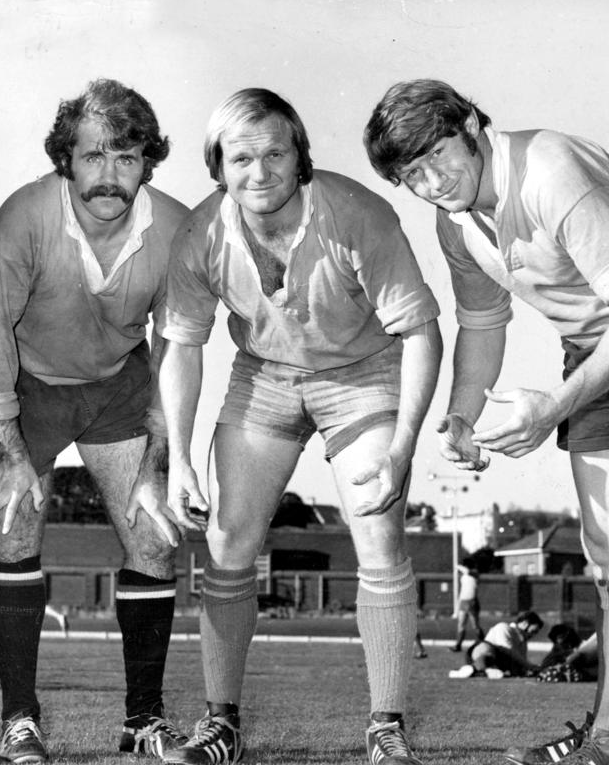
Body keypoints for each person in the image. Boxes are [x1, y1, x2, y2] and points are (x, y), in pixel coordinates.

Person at [365, 79, 609, 765]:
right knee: (601, 544)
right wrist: (460, 415)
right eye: (409, 174)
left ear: (471, 123)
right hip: (592, 340)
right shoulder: (455, 223)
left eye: (437, 154)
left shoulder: (550, 169)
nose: (430, 181)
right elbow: (481, 323)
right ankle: (603, 729)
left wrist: (554, 408)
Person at [159, 88, 442, 765]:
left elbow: (424, 333)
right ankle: (220, 723)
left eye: (276, 153)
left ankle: (387, 728)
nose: (261, 172)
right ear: (218, 166)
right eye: (242, 158)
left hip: (363, 370)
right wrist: (179, 459)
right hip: (265, 374)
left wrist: (402, 448)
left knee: (378, 527)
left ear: (300, 156)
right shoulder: (200, 236)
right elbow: (182, 348)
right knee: (227, 538)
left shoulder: (356, 214)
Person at [0, 78, 190, 763]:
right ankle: (19, 719)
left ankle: (144, 721)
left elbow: (173, 352)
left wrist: (158, 467)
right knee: (13, 530)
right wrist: (8, 452)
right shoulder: (23, 219)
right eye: (93, 156)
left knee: (154, 538)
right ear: (64, 158)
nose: (108, 175)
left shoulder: (177, 229)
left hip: (116, 386)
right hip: (27, 386)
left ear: (148, 163)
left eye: (126, 158)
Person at [449, 610, 543, 679]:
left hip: (498, 664)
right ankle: (476, 669)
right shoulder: (504, 628)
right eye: (533, 631)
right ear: (525, 624)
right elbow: (508, 650)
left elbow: (521, 661)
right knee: (488, 649)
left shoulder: (523, 642)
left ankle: (475, 671)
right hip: (482, 654)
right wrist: (531, 666)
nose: (533, 635)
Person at [450, 564, 483, 652]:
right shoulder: (464, 578)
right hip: (463, 602)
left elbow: (467, 571)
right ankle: (458, 645)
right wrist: (457, 608)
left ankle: (483, 643)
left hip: (472, 602)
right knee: (461, 625)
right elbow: (462, 592)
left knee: (475, 625)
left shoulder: (474, 576)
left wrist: (457, 566)